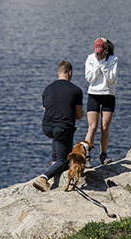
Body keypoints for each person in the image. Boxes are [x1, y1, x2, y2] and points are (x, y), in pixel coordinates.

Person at [33, 60, 84, 192]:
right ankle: (44, 177)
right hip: (62, 129)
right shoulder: (76, 90)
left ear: (58, 72)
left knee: (57, 137)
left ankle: (54, 164)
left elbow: (46, 110)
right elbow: (78, 116)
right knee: (65, 160)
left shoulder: (47, 89)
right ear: (70, 72)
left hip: (47, 127)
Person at [84, 37, 119, 168]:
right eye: (97, 51)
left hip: (108, 95)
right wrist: (97, 65)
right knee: (92, 127)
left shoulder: (113, 60)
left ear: (106, 49)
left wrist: (103, 65)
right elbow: (90, 79)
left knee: (105, 127)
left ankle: (103, 155)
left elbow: (111, 79)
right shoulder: (90, 59)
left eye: (101, 51)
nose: (98, 54)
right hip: (93, 94)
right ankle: (87, 156)